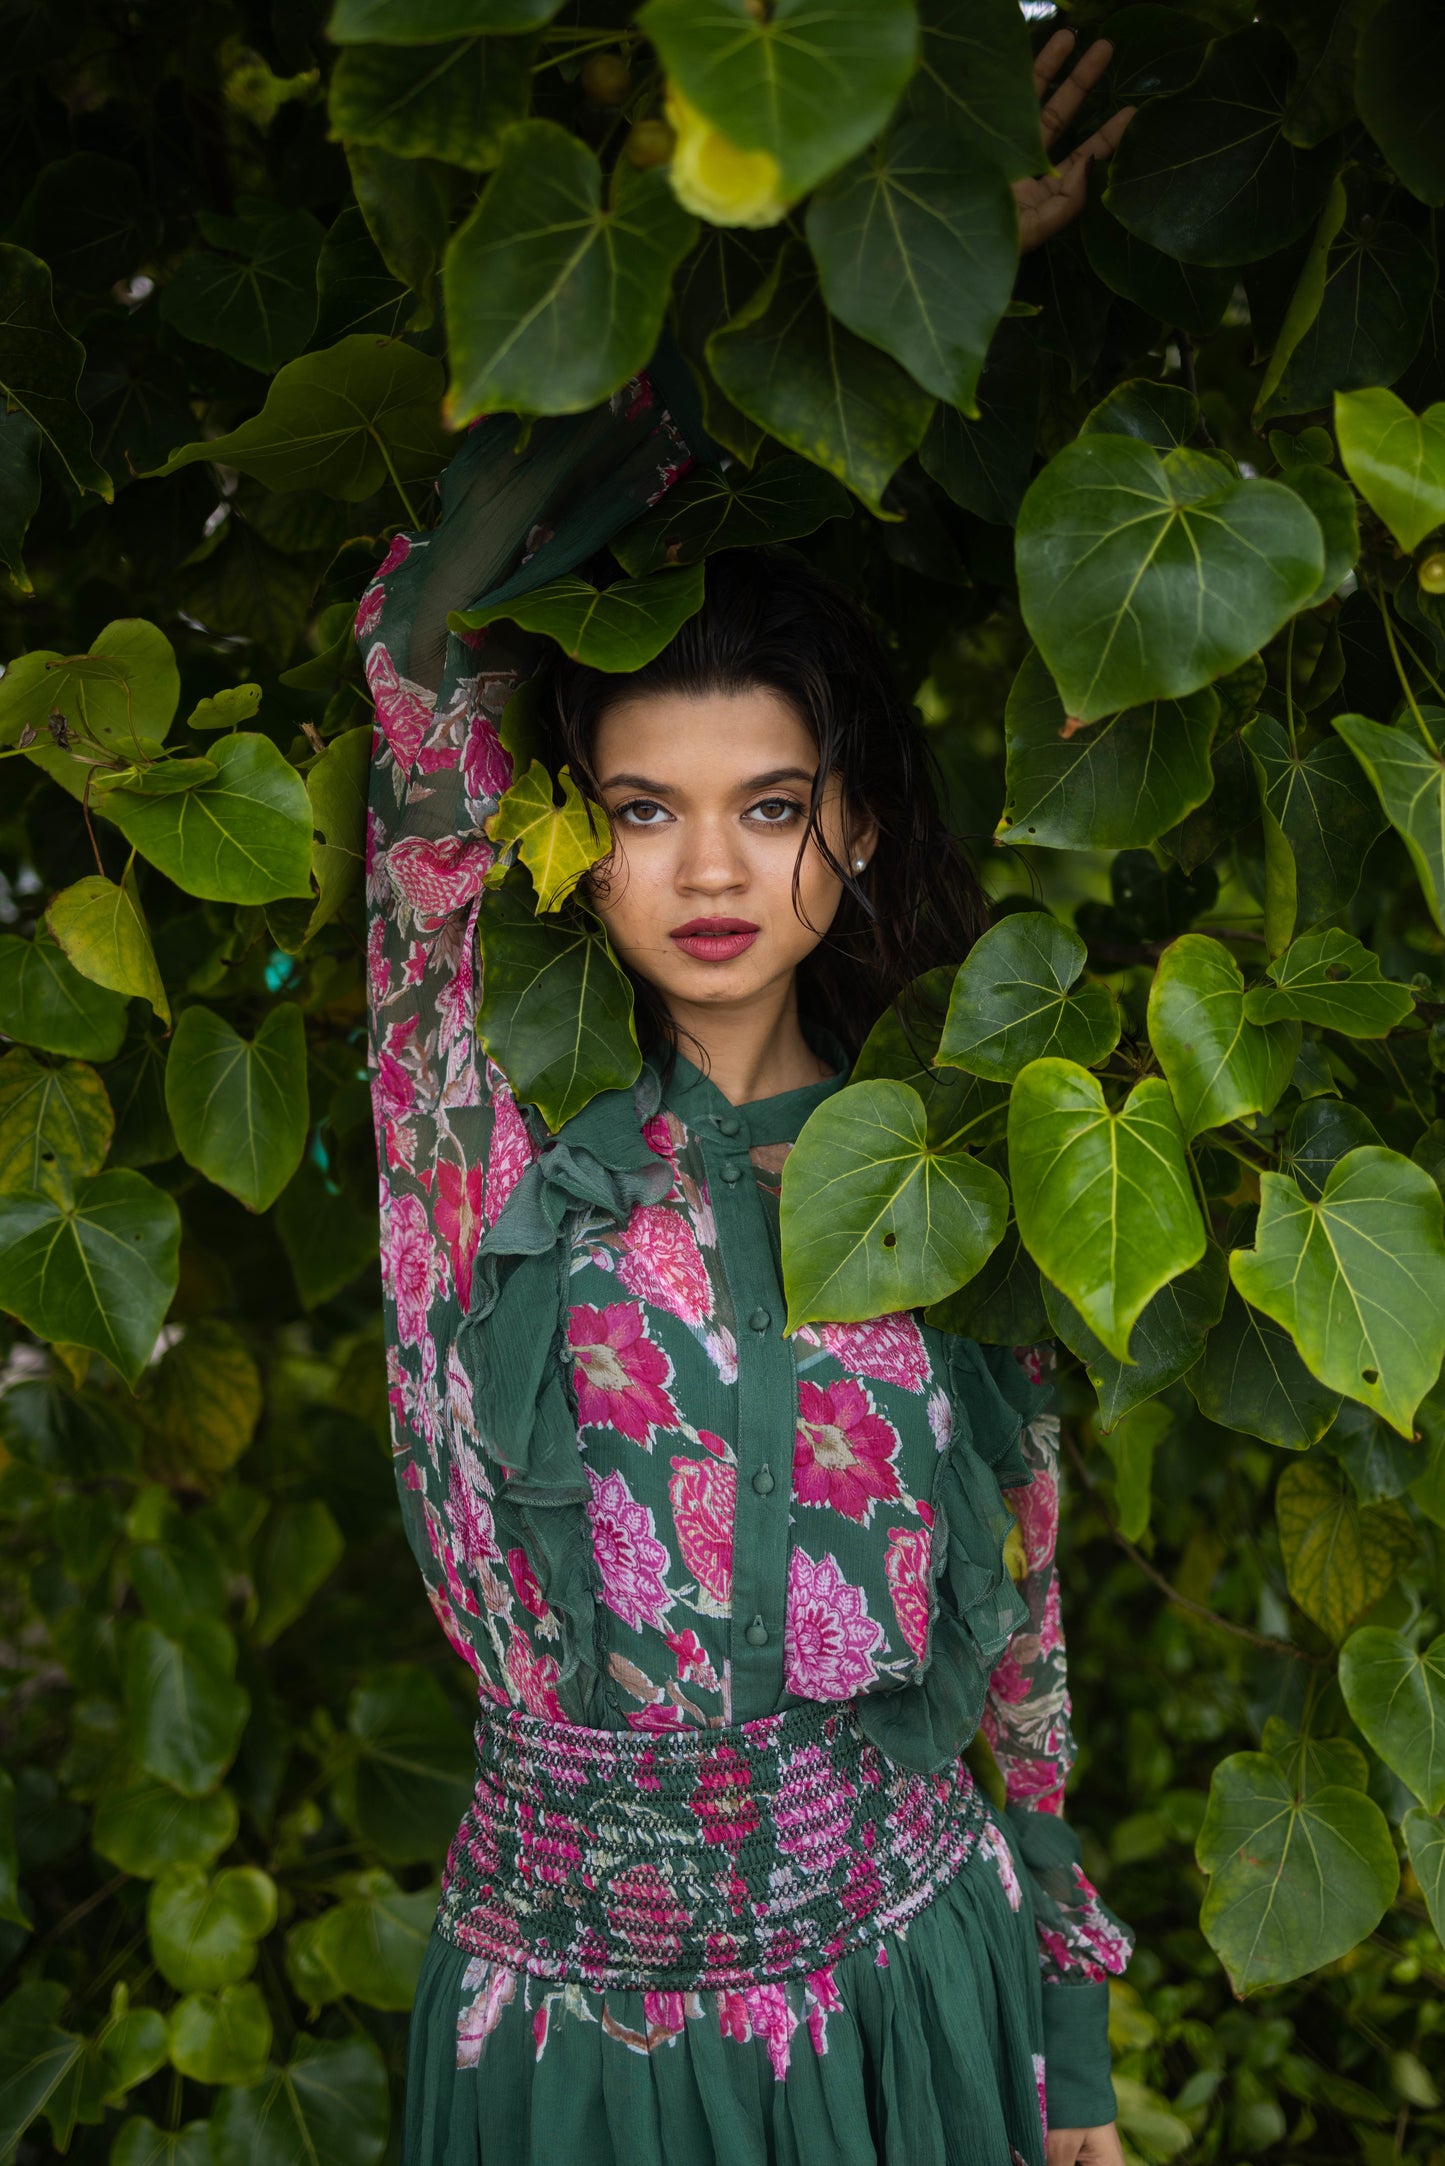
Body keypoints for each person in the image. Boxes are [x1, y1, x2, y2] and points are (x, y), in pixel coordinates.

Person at [360, 30, 1136, 2166]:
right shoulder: (472, 1127)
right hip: (576, 2053)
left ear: (858, 824)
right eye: (646, 808)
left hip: (919, 2000)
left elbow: (1022, 1613)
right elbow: (436, 628)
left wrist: (1062, 2050)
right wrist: (799, 267)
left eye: (770, 805)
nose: (710, 870)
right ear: (574, 837)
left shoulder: (945, 1166)